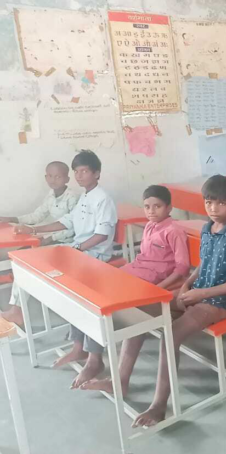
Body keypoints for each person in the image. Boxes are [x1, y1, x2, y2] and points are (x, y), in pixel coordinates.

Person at [133, 175, 226, 428]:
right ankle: (120, 380)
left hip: (221, 302)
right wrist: (188, 284)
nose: (213, 209)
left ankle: (158, 405)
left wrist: (202, 294)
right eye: (209, 202)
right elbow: (203, 264)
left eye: (220, 203)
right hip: (197, 292)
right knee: (136, 312)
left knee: (172, 334)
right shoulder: (206, 229)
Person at [14, 150, 117, 389]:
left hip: (95, 256)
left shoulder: (103, 198)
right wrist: (34, 230)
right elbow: (67, 221)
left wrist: (77, 248)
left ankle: (94, 358)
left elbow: (102, 234)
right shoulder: (84, 196)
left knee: (87, 303)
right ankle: (78, 348)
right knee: (67, 294)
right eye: (77, 172)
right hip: (79, 252)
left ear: (97, 173)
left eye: (84, 171)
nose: (80, 176)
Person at [81, 185, 190, 395]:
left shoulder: (174, 231)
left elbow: (182, 268)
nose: (151, 211)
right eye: (147, 206)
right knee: (102, 286)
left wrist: (160, 288)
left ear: (169, 207)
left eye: (157, 206)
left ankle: (106, 355)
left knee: (118, 305)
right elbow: (142, 257)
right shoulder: (149, 226)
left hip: (156, 279)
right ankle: (96, 352)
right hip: (140, 269)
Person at [0, 161, 79, 325]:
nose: (53, 179)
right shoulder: (51, 195)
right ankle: (18, 300)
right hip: (52, 238)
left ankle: (17, 309)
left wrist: (49, 238)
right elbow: (36, 216)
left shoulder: (73, 197)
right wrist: (12, 219)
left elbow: (74, 228)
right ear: (45, 177)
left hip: (69, 243)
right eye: (50, 175)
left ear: (67, 178)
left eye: (58, 176)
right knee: (20, 256)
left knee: (26, 261)